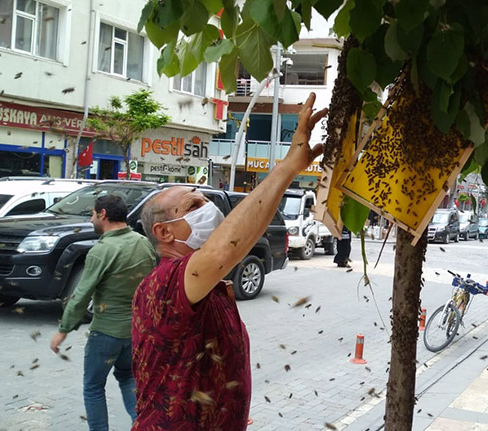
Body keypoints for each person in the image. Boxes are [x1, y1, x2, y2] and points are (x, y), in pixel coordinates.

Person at [131, 93, 327, 430]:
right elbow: (226, 250)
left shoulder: (210, 288)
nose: (209, 210)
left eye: (206, 200)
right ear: (163, 232)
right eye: (193, 206)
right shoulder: (164, 283)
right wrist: (288, 167)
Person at [49, 195, 157, 431]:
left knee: (93, 387)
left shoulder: (102, 250)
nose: (91, 219)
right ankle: (141, 425)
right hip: (135, 334)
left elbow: (81, 295)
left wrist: (63, 330)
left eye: (93, 214)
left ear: (103, 214)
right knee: (129, 378)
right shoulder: (143, 243)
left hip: (105, 333)